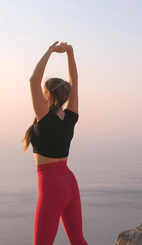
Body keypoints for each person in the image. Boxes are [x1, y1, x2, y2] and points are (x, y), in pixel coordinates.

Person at [23, 41, 88, 245]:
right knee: (78, 240)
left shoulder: (45, 119)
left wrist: (50, 51)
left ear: (49, 95)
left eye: (44, 93)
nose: (41, 95)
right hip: (70, 182)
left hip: (52, 187)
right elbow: (75, 82)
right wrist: (70, 54)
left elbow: (34, 80)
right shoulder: (70, 117)